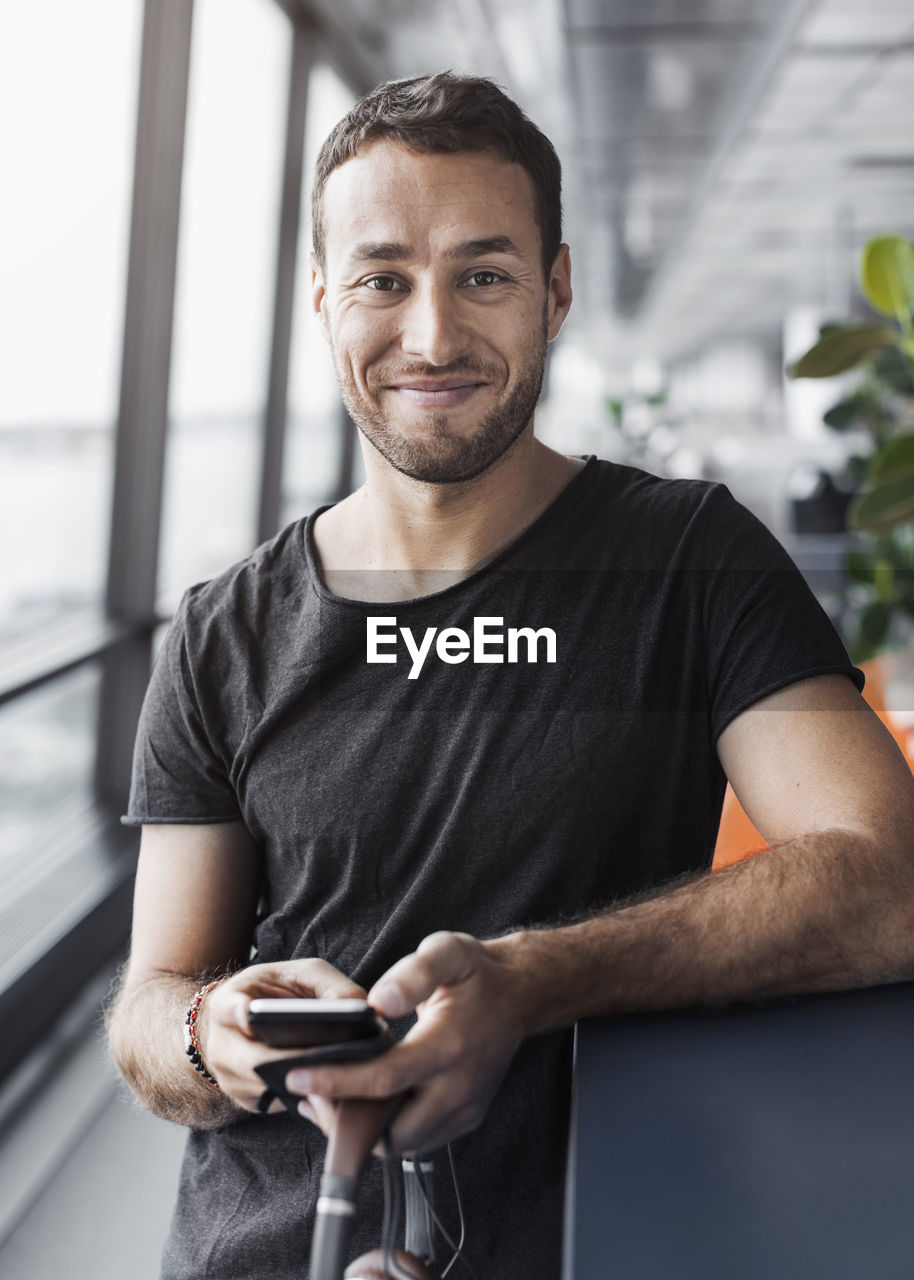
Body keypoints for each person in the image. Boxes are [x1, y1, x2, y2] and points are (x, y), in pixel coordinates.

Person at [108, 71, 914, 1278]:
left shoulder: (687, 558)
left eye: (481, 274)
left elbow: (887, 881)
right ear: (324, 300)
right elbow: (146, 1007)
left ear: (557, 290)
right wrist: (203, 1031)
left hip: (593, 1235)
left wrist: (526, 979)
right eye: (382, 279)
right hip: (270, 1246)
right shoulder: (225, 629)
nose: (430, 336)